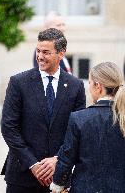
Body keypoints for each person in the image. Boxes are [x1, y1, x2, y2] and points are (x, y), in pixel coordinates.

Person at [1, 28, 86, 193]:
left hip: (59, 177)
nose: (40, 56)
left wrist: (57, 159)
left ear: (61, 54)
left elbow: (77, 131)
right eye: (38, 51)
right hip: (22, 176)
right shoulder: (19, 82)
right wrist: (33, 164)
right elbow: (8, 127)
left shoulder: (75, 86)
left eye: (46, 52)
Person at [50, 62, 125, 193]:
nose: (88, 87)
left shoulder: (78, 118)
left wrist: (57, 185)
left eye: (89, 83)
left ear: (98, 86)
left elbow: (66, 159)